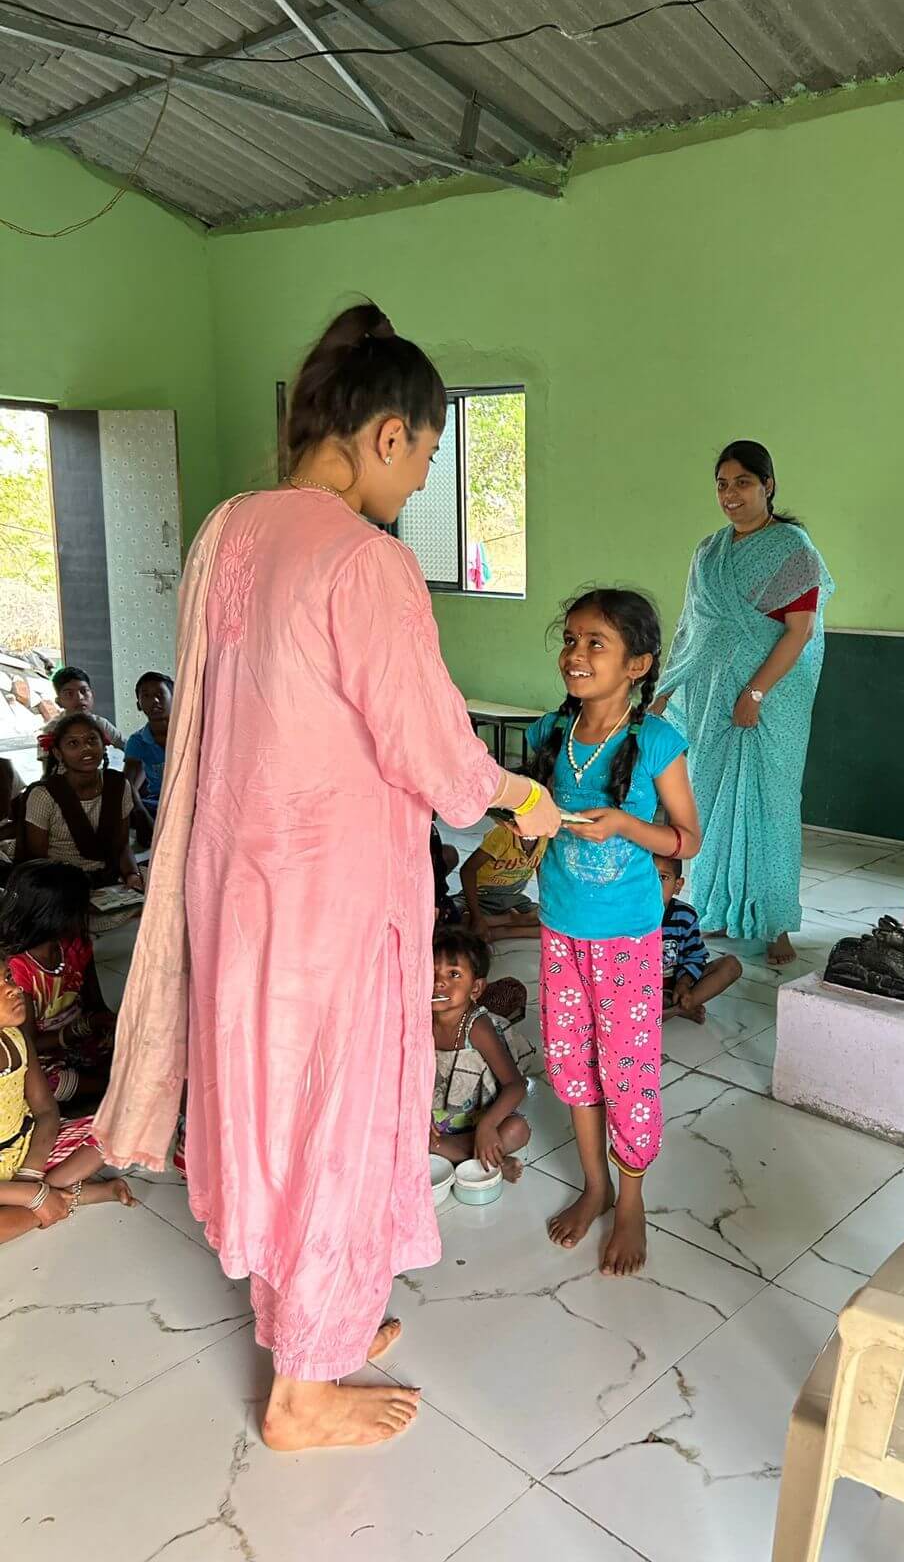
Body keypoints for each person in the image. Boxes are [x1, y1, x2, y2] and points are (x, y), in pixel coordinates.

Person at [93, 301, 561, 1454]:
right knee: (333, 1118)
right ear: (387, 434)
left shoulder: (228, 530)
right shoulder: (366, 560)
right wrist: (521, 794)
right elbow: (433, 750)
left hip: (240, 889)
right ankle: (301, 1390)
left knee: (276, 1104)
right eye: (428, 458)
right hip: (331, 902)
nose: (422, 483)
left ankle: (313, 1320)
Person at [528, 589, 701, 1277]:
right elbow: (530, 811)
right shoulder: (550, 732)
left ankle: (631, 1199)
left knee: (626, 1070)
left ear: (638, 664)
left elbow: (686, 839)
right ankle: (594, 1184)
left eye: (595, 643)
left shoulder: (656, 741)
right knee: (570, 1060)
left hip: (625, 937)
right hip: (559, 928)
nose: (575, 654)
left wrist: (627, 824)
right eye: (570, 639)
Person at [655, 441, 834, 966]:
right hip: (709, 696)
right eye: (722, 484)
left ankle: (775, 922)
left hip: (770, 701)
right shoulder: (708, 552)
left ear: (767, 486)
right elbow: (691, 627)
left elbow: (800, 632)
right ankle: (720, 907)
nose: (730, 494)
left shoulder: (792, 549)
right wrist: (666, 688)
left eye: (742, 483)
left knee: (770, 807)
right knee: (710, 804)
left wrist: (755, 692)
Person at [0, 964, 133, 1246]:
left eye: (7, 977)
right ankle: (69, 1197)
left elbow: (46, 1110)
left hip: (29, 1148)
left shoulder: (16, 1038)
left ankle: (47, 1200)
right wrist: (31, 1194)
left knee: (121, 1124)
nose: (13, 989)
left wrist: (30, 1175)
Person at [0, 860, 116, 1111]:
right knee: (47, 1082)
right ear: (57, 916)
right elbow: (29, 1042)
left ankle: (106, 1085)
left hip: (81, 1036)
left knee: (135, 1043)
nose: (87, 914)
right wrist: (84, 1027)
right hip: (43, 1051)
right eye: (80, 909)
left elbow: (95, 1002)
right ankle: (110, 1087)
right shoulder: (18, 968)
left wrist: (109, 1024)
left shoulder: (76, 946)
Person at [429, 926, 531, 1182]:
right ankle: (488, 1161)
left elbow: (515, 1085)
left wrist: (487, 1126)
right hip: (435, 1125)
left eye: (454, 974)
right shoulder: (418, 1022)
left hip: (480, 1120)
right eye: (431, 972)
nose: (439, 982)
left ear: (475, 988)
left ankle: (471, 1153)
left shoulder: (477, 1027)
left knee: (517, 1129)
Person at [20, 714, 144, 895]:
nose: (86, 748)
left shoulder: (118, 785)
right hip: (60, 885)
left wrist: (133, 875)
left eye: (92, 740)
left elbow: (122, 845)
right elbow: (38, 862)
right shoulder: (44, 795)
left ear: (103, 745)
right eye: (73, 743)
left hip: (109, 877)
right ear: (58, 753)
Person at [654, 855, 743, 1023]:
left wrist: (684, 983)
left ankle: (677, 1008)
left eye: (663, 877)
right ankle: (671, 1012)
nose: (653, 885)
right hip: (638, 992)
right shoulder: (628, 917)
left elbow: (695, 956)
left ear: (678, 885)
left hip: (675, 987)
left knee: (731, 966)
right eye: (646, 876)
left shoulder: (685, 916)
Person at [457, 811, 546, 940]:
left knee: (551, 922)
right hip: (483, 896)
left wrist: (545, 906)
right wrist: (477, 917)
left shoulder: (545, 837)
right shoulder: (502, 833)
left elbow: (540, 870)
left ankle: (504, 930)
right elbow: (467, 870)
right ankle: (511, 920)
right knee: (453, 918)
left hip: (512, 898)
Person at [124, 672, 173, 845]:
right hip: (159, 803)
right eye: (146, 696)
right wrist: (142, 814)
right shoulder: (138, 741)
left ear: (175, 697)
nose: (155, 701)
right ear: (139, 704)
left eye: (160, 694)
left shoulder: (192, 733)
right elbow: (128, 785)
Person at [43, 666, 124, 756]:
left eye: (84, 691)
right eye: (69, 693)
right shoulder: (51, 730)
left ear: (92, 694)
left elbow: (127, 747)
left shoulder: (101, 724)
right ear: (58, 702)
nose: (79, 697)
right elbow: (47, 763)